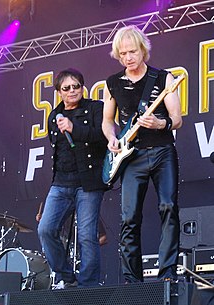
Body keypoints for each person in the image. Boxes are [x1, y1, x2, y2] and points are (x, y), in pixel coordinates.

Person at [102, 25, 182, 283]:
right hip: (132, 157)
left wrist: (161, 124)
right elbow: (107, 120)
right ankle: (131, 280)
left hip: (161, 151)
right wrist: (112, 138)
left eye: (132, 51)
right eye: (123, 53)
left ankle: (167, 274)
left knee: (168, 207)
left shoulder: (163, 78)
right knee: (129, 218)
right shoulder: (113, 83)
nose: (128, 57)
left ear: (143, 50)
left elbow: (177, 119)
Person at [38, 68, 108, 289]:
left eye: (76, 86)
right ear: (59, 91)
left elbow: (103, 137)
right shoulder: (53, 116)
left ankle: (88, 287)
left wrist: (73, 128)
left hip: (88, 182)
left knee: (88, 236)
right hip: (60, 183)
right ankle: (67, 278)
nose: (72, 91)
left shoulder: (96, 108)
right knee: (46, 229)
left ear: (82, 87)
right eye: (66, 88)